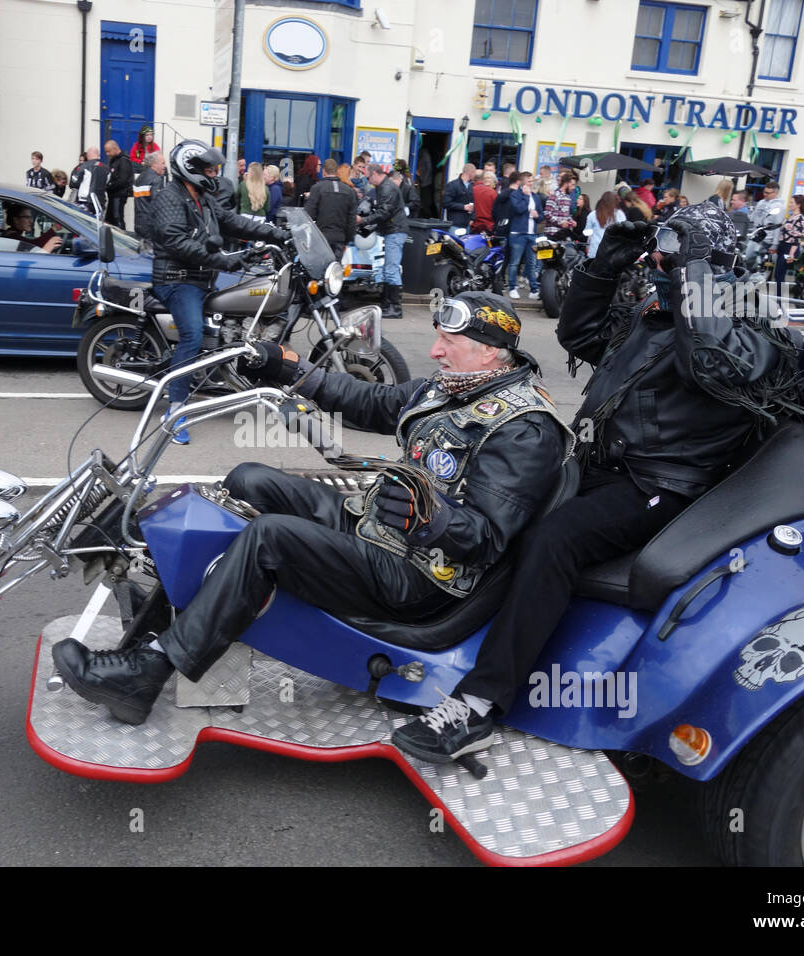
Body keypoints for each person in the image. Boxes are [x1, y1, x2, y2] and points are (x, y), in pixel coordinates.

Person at [386, 205, 804, 761]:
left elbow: (712, 364)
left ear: (710, 258)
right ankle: (438, 647)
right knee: (498, 509)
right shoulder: (658, 315)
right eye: (663, 248)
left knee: (553, 539)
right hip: (598, 464)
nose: (662, 258)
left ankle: (481, 704)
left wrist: (694, 269)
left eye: (676, 249)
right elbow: (580, 331)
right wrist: (603, 265)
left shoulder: (752, 325)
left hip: (664, 486)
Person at [51, 292, 572, 733]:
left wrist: (428, 517)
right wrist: (290, 369)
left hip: (421, 575)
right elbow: (371, 401)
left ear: (489, 351)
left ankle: (148, 672)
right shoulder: (453, 387)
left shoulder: (525, 428)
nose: (434, 350)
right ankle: (163, 628)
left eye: (448, 343)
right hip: (377, 526)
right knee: (249, 478)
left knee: (272, 537)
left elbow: (485, 538)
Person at [145, 140, 290, 444]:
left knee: (245, 301)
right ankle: (175, 409)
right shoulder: (169, 198)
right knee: (193, 335)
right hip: (177, 279)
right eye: (209, 169)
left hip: (202, 277)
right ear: (191, 169)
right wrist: (224, 260)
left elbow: (233, 222)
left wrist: (278, 233)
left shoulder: (203, 198)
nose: (214, 174)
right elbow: (179, 244)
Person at [358, 163, 408, 318]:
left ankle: (395, 308)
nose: (368, 180)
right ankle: (387, 305)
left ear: (375, 174)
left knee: (391, 269)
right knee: (388, 268)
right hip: (393, 230)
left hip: (395, 231)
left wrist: (363, 221)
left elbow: (384, 212)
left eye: (368, 176)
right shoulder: (384, 187)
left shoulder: (387, 188)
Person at [304, 157, 357, 261]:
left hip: (321, 236)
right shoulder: (349, 191)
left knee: (320, 269)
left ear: (324, 171)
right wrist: (348, 239)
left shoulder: (317, 188)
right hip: (340, 237)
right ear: (337, 171)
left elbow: (309, 214)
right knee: (334, 270)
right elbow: (351, 219)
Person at [504, 170, 542, 300]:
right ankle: (513, 288)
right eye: (529, 181)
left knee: (531, 263)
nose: (531, 183)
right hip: (518, 234)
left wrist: (537, 216)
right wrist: (526, 196)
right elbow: (519, 209)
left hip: (532, 234)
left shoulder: (536, 197)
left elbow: (541, 215)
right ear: (523, 182)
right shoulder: (516, 194)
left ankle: (534, 290)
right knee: (514, 262)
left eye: (532, 181)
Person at [132, 150, 167, 242]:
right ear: (154, 165)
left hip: (138, 223)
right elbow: (158, 205)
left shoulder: (139, 179)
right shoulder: (156, 180)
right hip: (150, 226)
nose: (165, 166)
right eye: (163, 163)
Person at [774, 193, 804, 286]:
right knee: (778, 274)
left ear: (798, 205)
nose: (790, 204)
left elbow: (797, 237)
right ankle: (780, 298)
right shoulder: (791, 216)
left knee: (779, 274)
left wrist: (791, 254)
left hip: (789, 249)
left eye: (792, 202)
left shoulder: (800, 218)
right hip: (783, 247)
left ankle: (781, 299)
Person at [584, 190, 625, 259]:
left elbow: (586, 232)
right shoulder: (620, 214)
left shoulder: (593, 214)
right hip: (613, 251)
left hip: (595, 250)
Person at [69, 147, 109, 217]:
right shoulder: (106, 168)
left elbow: (74, 182)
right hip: (100, 201)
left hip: (85, 201)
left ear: (88, 155)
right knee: (98, 223)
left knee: (84, 223)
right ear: (98, 154)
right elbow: (108, 183)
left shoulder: (83, 166)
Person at [103, 140, 133, 229]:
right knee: (109, 219)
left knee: (117, 217)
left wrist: (108, 186)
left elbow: (122, 180)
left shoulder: (124, 161)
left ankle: (123, 238)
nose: (107, 154)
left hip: (120, 195)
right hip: (113, 194)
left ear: (115, 149)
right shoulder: (114, 160)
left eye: (108, 151)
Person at [542, 170, 578, 239]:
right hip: (552, 234)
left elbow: (566, 215)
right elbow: (547, 213)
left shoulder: (568, 197)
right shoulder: (554, 196)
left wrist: (571, 221)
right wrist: (560, 222)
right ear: (566, 183)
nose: (574, 187)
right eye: (572, 185)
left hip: (563, 233)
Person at [443, 163, 477, 230]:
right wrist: (463, 207)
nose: (475, 175)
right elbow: (445, 203)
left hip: (467, 224)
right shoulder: (452, 185)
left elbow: (473, 203)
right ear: (471, 172)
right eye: (474, 173)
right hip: (455, 224)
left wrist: (472, 218)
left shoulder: (471, 186)